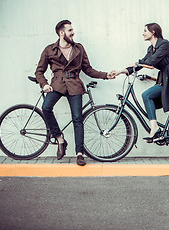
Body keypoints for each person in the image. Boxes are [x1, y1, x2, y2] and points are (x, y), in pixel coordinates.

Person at [114, 23, 169, 163]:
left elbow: (151, 62)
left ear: (153, 32)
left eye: (145, 31)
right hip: (166, 80)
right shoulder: (151, 48)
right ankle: (154, 127)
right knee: (147, 95)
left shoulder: (164, 44)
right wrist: (122, 71)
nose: (143, 33)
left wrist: (138, 63)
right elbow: (143, 62)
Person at [35, 20, 115, 166]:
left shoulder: (79, 48)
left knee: (77, 119)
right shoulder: (49, 50)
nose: (73, 33)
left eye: (73, 30)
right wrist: (45, 84)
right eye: (70, 30)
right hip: (57, 85)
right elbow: (39, 71)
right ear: (62, 33)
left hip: (74, 85)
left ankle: (79, 153)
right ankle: (60, 139)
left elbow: (88, 69)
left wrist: (105, 75)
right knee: (46, 108)